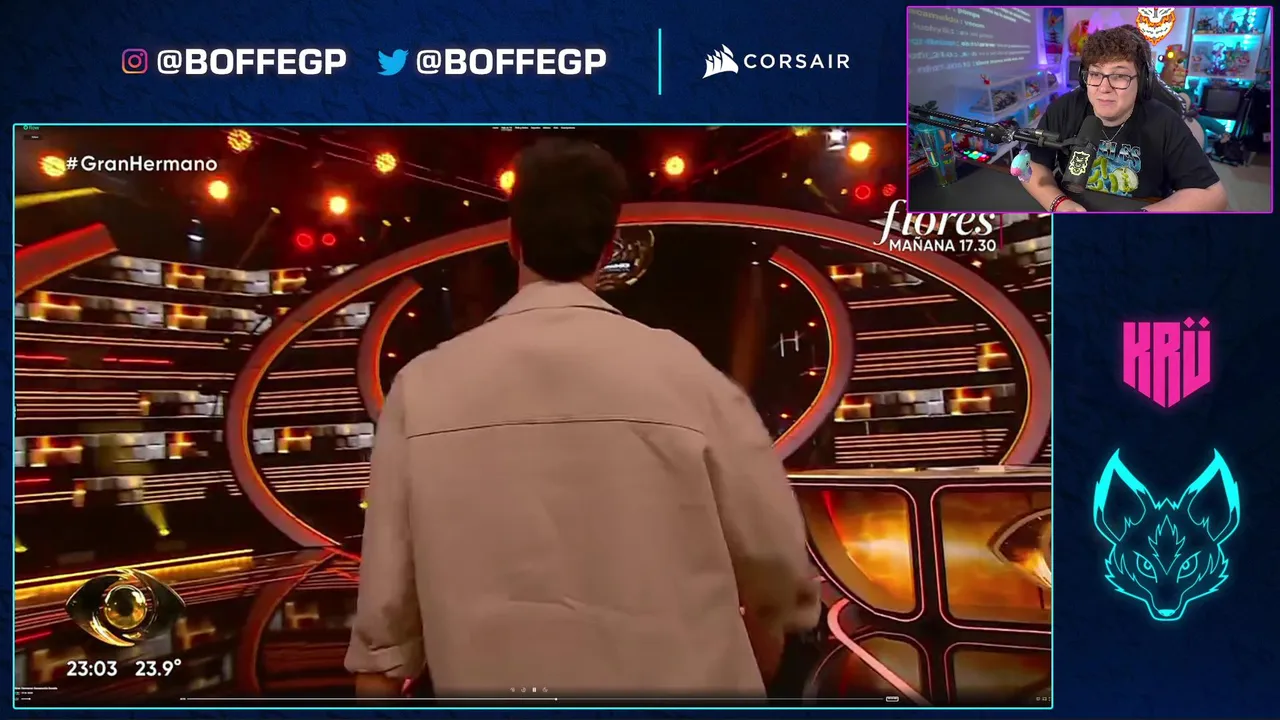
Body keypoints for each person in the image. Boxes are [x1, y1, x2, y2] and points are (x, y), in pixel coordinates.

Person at [344, 137, 819, 701]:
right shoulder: (685, 374)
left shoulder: (422, 388)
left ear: (514, 240)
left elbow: (384, 626)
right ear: (608, 248)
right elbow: (775, 562)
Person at [1021, 25, 1227, 212]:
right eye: (1095, 74)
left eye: (1119, 76)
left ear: (1143, 82)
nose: (1103, 88)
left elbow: (1213, 195)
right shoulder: (1065, 108)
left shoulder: (1165, 121)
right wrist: (1060, 204)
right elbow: (1032, 164)